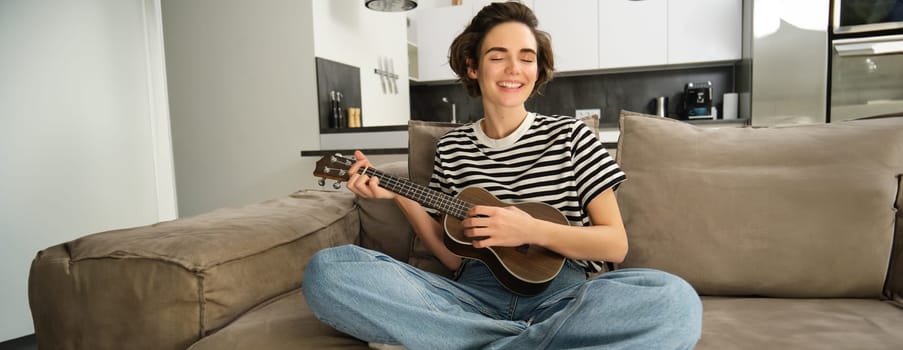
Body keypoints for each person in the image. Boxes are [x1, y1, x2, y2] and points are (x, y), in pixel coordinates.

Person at [303, 2, 702, 349]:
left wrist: (529, 230)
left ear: (538, 68)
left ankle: (462, 341)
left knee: (675, 301)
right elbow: (452, 257)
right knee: (329, 271)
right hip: (471, 298)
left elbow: (614, 245)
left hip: (566, 298)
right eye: (498, 56)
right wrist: (400, 195)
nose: (515, 69)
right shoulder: (452, 148)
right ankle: (526, 340)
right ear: (472, 66)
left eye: (527, 57)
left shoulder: (572, 136)